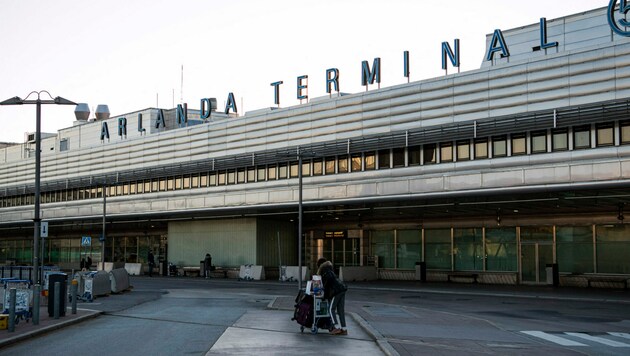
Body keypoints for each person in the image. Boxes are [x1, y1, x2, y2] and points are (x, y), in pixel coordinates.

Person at [317, 257, 348, 335]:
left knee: (331, 309)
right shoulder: (329, 268)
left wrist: (324, 296)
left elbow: (327, 285)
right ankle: (344, 329)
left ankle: (336, 328)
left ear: (320, 265)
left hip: (336, 291)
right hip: (342, 289)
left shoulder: (325, 270)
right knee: (341, 311)